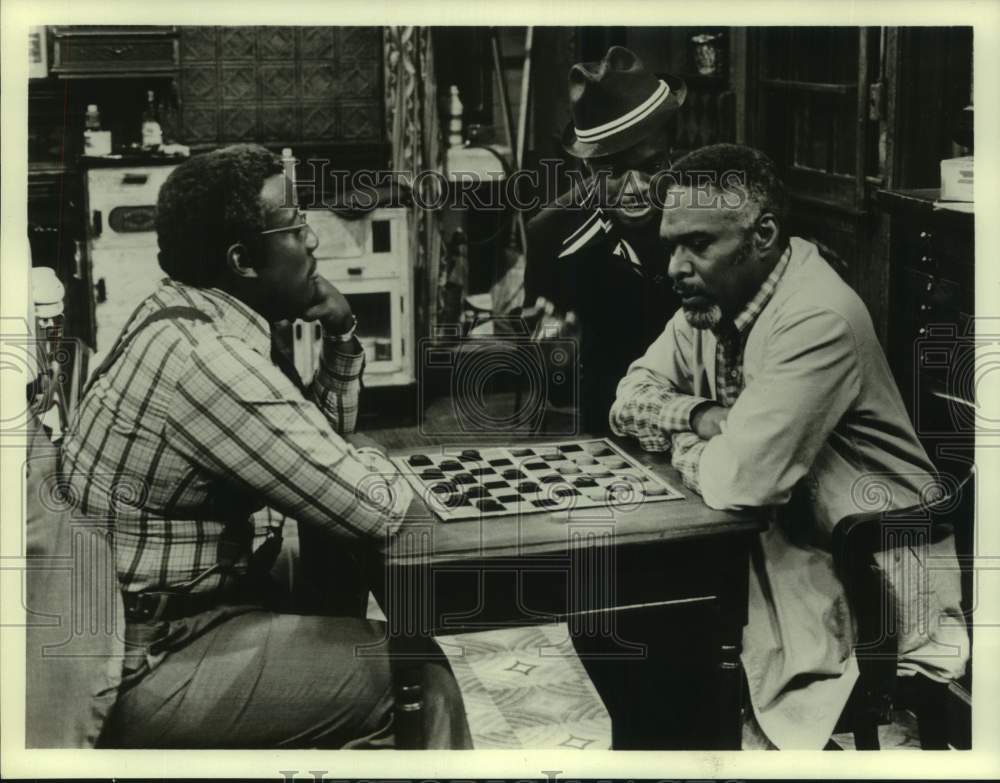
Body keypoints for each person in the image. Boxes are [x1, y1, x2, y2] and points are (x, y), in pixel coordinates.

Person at [59, 144, 471, 749]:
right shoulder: (210, 362)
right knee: (422, 674)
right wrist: (368, 465)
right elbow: (373, 504)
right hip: (146, 657)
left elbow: (320, 444)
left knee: (330, 554)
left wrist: (341, 331)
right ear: (242, 260)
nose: (313, 243)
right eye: (296, 226)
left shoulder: (178, 313)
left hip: (144, 618)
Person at [610, 144, 969, 748]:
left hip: (869, 566)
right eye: (671, 243)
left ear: (763, 235)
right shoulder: (710, 302)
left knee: (664, 629)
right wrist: (702, 416)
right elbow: (628, 399)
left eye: (698, 243)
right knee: (622, 616)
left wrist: (687, 447)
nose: (675, 266)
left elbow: (740, 481)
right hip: (779, 535)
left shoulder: (815, 316)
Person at [523, 45, 686, 432]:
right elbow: (548, 359)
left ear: (671, 154)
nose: (635, 187)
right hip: (609, 415)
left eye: (651, 167)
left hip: (700, 407)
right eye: (613, 172)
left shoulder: (704, 212)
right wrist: (555, 349)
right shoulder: (552, 231)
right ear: (587, 166)